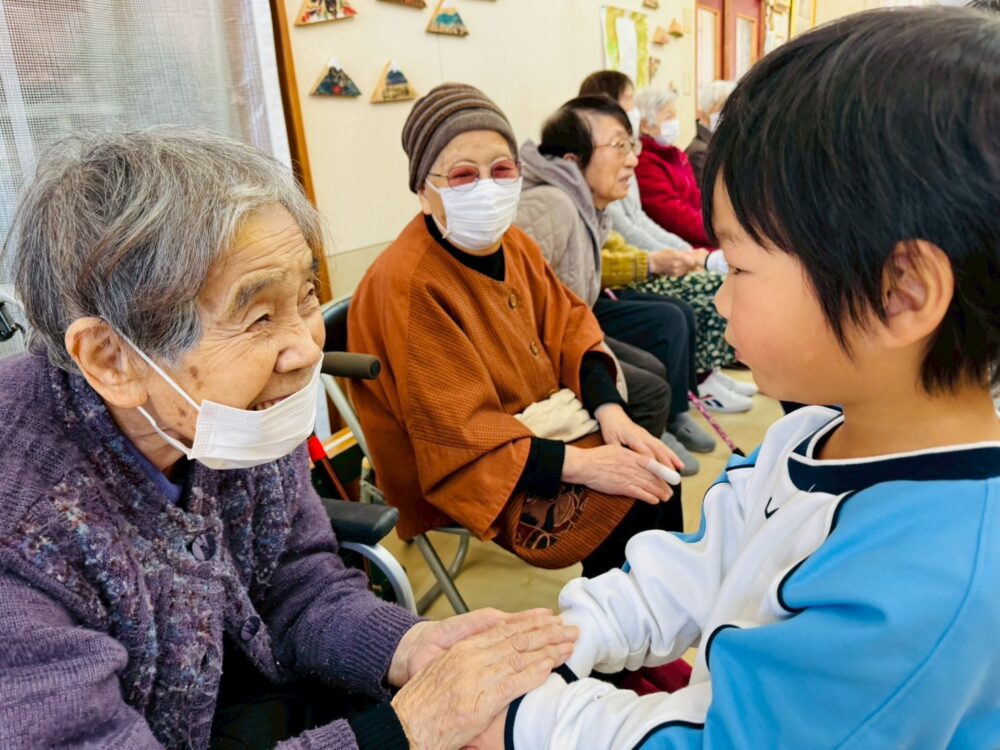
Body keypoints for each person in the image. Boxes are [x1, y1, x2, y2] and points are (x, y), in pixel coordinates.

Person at [473, 7, 1000, 747]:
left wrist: (523, 720)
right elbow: (695, 568)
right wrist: (557, 640)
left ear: (900, 292)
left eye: (741, 265)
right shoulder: (808, 435)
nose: (722, 295)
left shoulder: (933, 586)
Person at [0, 127, 581, 750]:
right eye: (258, 318)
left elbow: (296, 578)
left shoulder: (225, 421)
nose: (306, 349)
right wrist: (405, 729)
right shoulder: (25, 530)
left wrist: (408, 645)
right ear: (113, 359)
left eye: (307, 295)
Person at [348, 84, 684, 577]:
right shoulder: (408, 285)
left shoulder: (516, 245)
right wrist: (586, 465)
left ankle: (649, 632)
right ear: (425, 191)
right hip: (466, 462)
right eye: (464, 175)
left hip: (538, 426)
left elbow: (569, 324)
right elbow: (455, 432)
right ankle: (615, 644)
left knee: (659, 477)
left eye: (502, 170)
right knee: (636, 498)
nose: (487, 186)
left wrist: (610, 411)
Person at [517, 95, 720, 473]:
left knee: (656, 363)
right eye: (618, 146)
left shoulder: (586, 204)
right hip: (550, 350)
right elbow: (518, 312)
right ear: (572, 160)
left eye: (632, 145)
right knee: (651, 386)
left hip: (574, 330)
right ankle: (635, 467)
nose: (632, 159)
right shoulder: (552, 206)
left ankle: (662, 431)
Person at [578, 71, 754, 411]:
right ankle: (697, 387)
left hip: (661, 254)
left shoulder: (664, 154)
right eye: (629, 103)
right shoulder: (615, 167)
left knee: (710, 282)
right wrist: (676, 255)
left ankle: (708, 373)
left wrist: (685, 252)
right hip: (635, 271)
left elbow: (644, 218)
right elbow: (636, 226)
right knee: (691, 301)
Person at [634, 87, 713, 248]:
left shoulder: (676, 154)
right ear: (645, 126)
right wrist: (714, 230)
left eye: (674, 115)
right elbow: (671, 215)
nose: (674, 122)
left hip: (700, 235)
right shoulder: (644, 162)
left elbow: (696, 198)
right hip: (681, 244)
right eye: (668, 116)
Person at [686, 79, 736, 186]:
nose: (729, 113)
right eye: (723, 107)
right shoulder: (700, 151)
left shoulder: (720, 143)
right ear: (706, 110)